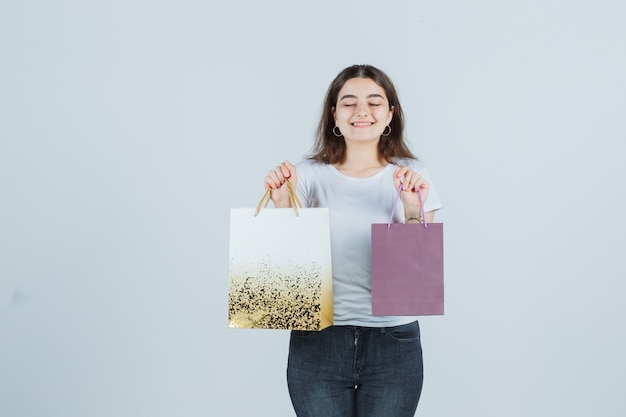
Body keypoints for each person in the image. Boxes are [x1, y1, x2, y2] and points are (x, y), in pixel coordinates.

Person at [263, 64, 442, 417]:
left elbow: (418, 270)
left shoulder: (413, 176)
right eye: (349, 103)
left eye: (375, 102)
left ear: (390, 113)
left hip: (393, 343)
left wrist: (411, 209)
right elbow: (283, 267)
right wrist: (282, 202)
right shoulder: (308, 176)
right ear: (334, 114)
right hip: (318, 341)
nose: (362, 111)